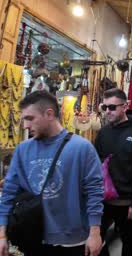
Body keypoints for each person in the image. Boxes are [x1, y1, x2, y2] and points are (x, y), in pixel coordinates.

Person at [0, 90, 104, 256]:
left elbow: (94, 193)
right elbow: (8, 194)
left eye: (30, 118)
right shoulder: (23, 150)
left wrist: (95, 232)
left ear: (49, 114)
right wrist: (2, 234)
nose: (25, 125)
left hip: (73, 242)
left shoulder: (81, 148)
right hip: (33, 238)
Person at [94, 88, 132, 256]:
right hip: (103, 201)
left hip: (127, 203)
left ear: (125, 107)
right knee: (96, 238)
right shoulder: (103, 133)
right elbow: (96, 163)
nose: (108, 112)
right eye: (105, 108)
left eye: (112, 107)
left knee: (128, 242)